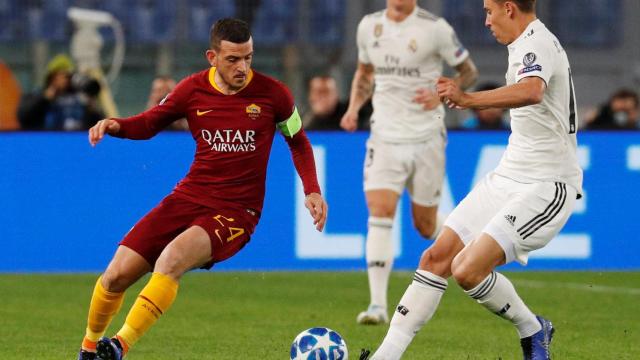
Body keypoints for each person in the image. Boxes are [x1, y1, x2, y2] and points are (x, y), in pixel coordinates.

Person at [76, 18, 328, 360]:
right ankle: (88, 349)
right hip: (188, 196)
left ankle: (118, 346)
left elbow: (298, 141)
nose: (243, 68)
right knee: (116, 274)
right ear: (212, 56)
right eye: (233, 60)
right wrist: (115, 125)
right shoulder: (191, 91)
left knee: (171, 260)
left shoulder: (274, 95)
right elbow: (150, 123)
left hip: (238, 210)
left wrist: (312, 189)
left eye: (248, 58)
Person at [365, 0, 582, 359]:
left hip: (548, 184)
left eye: (489, 11)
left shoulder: (535, 43)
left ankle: (532, 329)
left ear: (509, 8)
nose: (486, 21)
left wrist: (467, 99)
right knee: (435, 258)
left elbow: (532, 91)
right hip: (508, 175)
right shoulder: (524, 44)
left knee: (466, 270)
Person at [340, 0, 478, 325]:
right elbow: (365, 73)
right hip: (384, 136)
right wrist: (353, 107)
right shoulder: (368, 27)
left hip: (426, 137)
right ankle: (376, 306)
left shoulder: (435, 28)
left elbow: (469, 71)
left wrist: (444, 93)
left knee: (425, 226)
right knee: (380, 211)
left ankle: (480, 237)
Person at [18, 54, 103, 131]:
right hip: (49, 139)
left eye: (69, 76)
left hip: (77, 140)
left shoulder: (79, 98)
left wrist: (91, 107)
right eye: (64, 76)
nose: (67, 80)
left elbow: (97, 123)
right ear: (52, 77)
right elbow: (23, 117)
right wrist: (44, 99)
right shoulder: (40, 95)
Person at [303, 75, 371, 131]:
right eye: (318, 92)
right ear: (310, 96)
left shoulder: (351, 111)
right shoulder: (306, 125)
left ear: (336, 95)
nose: (322, 97)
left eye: (326, 92)